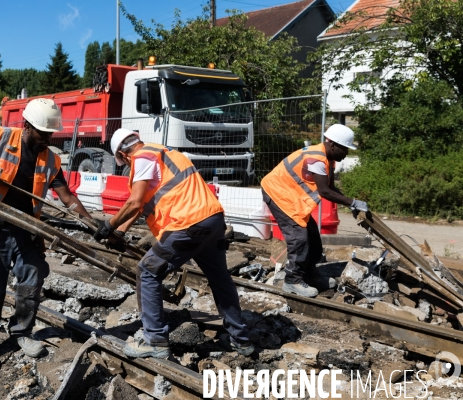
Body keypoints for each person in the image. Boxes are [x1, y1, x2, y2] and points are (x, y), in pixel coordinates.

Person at [0, 98, 93, 372]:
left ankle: (21, 332)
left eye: (51, 133)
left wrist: (90, 222)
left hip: (27, 230)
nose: (48, 138)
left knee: (31, 282)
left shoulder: (50, 158)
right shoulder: (1, 137)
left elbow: (66, 196)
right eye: (43, 133)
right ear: (27, 126)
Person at [93, 128, 253, 359]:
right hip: (212, 220)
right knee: (220, 278)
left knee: (147, 271)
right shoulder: (165, 153)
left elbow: (134, 201)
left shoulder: (141, 158)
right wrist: (120, 232)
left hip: (186, 226)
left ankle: (155, 341)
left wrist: (108, 225)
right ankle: (241, 340)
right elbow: (142, 206)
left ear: (123, 155)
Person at [260, 124, 369, 298]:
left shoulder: (328, 159)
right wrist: (353, 202)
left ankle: (309, 274)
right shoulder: (316, 159)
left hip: (292, 197)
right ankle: (292, 281)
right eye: (345, 149)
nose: (346, 154)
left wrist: (352, 205)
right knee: (299, 239)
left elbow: (331, 187)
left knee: (313, 240)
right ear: (333, 145)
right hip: (278, 194)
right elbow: (324, 191)